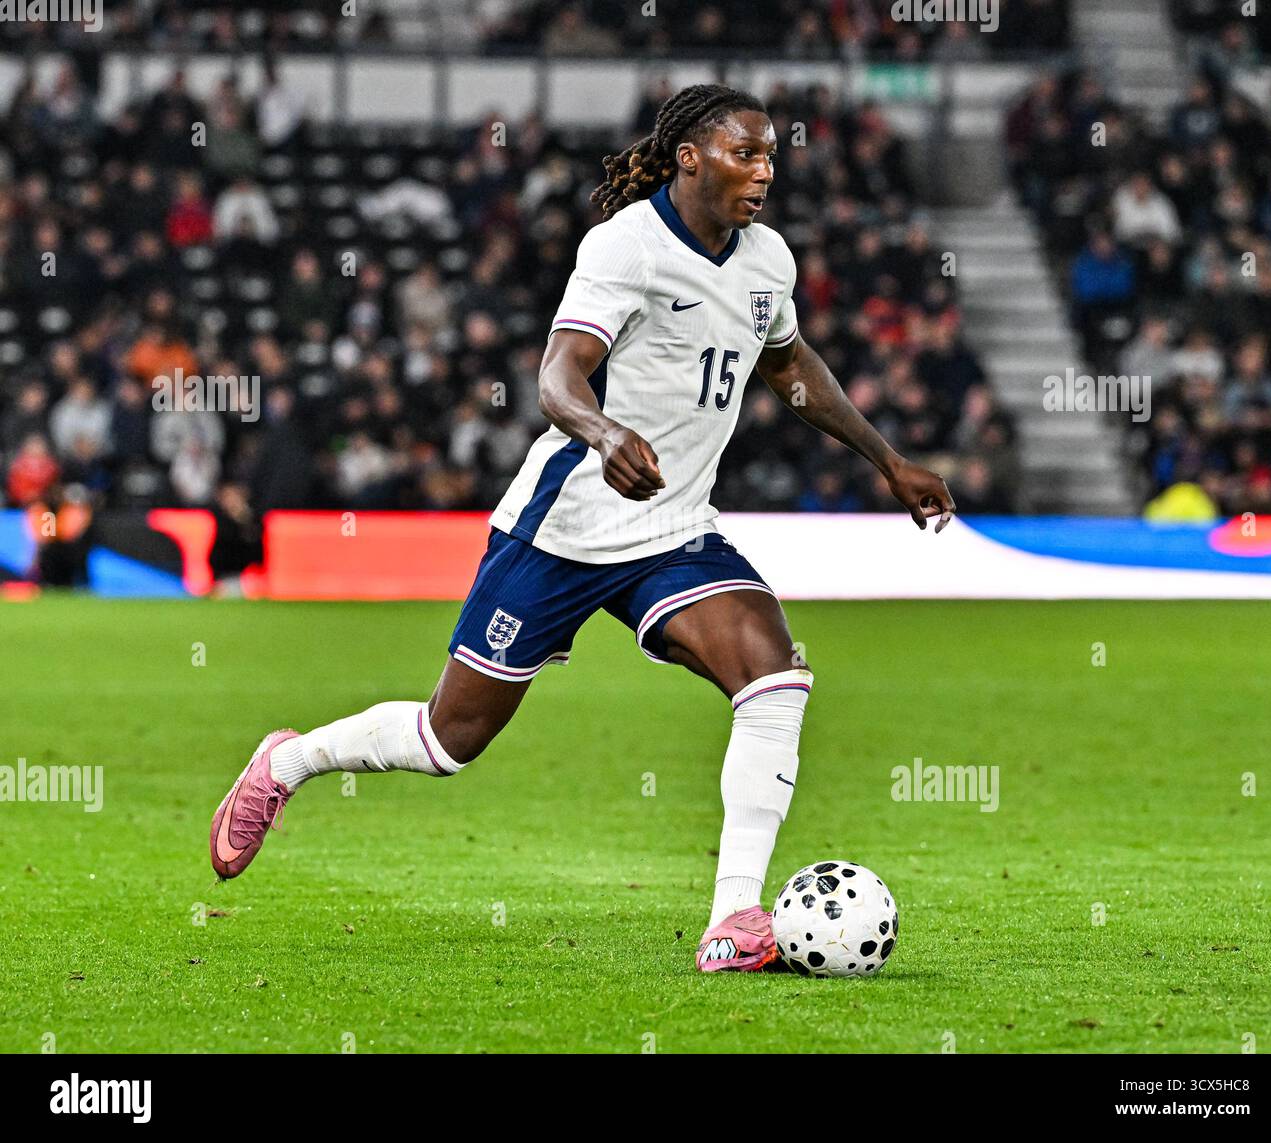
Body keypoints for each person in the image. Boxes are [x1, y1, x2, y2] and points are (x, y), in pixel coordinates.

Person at [209, 84, 955, 973]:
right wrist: (603, 433)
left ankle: (734, 920)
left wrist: (886, 458)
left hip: (673, 528)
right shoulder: (626, 245)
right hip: (562, 529)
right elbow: (558, 377)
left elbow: (790, 365)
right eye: (743, 154)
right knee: (450, 741)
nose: (763, 172)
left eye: (769, 157)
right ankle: (290, 762)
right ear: (688, 156)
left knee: (775, 676)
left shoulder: (769, 262)